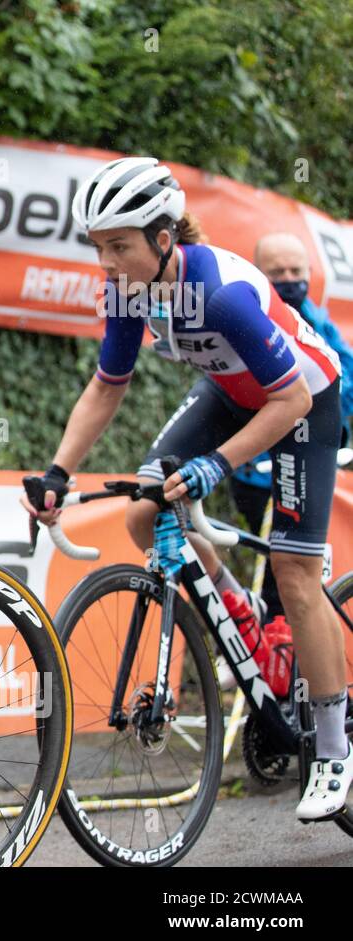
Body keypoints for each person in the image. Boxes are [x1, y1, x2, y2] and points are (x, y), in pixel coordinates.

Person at [21, 156, 349, 821]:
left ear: (164, 237)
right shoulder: (126, 291)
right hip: (230, 394)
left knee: (293, 572)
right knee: (147, 512)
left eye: (120, 246)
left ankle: (336, 749)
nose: (107, 262)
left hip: (302, 403)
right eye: (99, 248)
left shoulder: (222, 293)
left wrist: (215, 466)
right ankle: (241, 613)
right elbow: (108, 386)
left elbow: (286, 402)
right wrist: (57, 470)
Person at [226, 234, 353, 622]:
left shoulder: (317, 320)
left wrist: (303, 393)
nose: (289, 279)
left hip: (307, 462)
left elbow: (343, 383)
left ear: (310, 274)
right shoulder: (241, 316)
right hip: (255, 472)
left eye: (296, 271)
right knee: (275, 572)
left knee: (294, 576)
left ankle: (292, 659)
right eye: (277, 272)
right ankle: (264, 643)